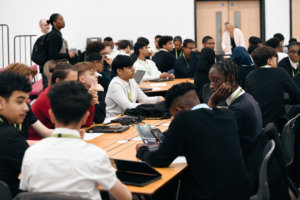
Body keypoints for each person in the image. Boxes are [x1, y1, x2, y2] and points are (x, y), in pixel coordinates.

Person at [20, 81, 132, 200]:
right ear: (85, 117)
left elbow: (26, 191)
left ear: (52, 115)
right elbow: (125, 197)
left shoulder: (31, 154)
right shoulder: (95, 156)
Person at [136, 83, 250, 200]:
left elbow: (160, 160)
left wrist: (142, 150)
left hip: (211, 195)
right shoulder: (227, 114)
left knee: (166, 190)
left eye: (173, 115)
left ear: (179, 109)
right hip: (242, 192)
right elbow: (205, 142)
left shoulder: (184, 118)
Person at [207, 60, 262, 159]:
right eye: (210, 81)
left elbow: (210, 135)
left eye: (215, 80)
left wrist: (212, 101)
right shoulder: (246, 97)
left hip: (243, 162)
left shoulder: (238, 110)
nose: (211, 86)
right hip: (251, 157)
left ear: (230, 79)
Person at [245, 46, 300, 129]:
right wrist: (285, 100)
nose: (277, 62)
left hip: (256, 122)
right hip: (277, 123)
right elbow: (297, 96)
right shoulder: (280, 72)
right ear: (269, 61)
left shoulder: (250, 76)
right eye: (275, 59)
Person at [0, 71, 31, 197]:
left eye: (26, 101)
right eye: (19, 102)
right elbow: (39, 174)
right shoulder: (10, 136)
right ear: (1, 102)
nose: (26, 108)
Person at [4, 63, 53, 139]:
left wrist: (71, 134)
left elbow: (45, 132)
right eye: (26, 83)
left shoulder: (26, 106)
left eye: (30, 83)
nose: (29, 88)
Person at [31, 63, 80, 139]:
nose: (75, 85)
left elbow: (85, 123)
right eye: (71, 82)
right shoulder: (47, 97)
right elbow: (67, 125)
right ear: (58, 81)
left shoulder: (63, 95)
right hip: (39, 143)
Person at [43, 13, 76, 89]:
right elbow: (53, 54)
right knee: (53, 90)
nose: (63, 21)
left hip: (56, 66)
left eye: (63, 19)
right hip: (51, 67)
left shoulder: (57, 34)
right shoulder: (54, 35)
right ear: (54, 23)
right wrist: (68, 55)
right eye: (61, 20)